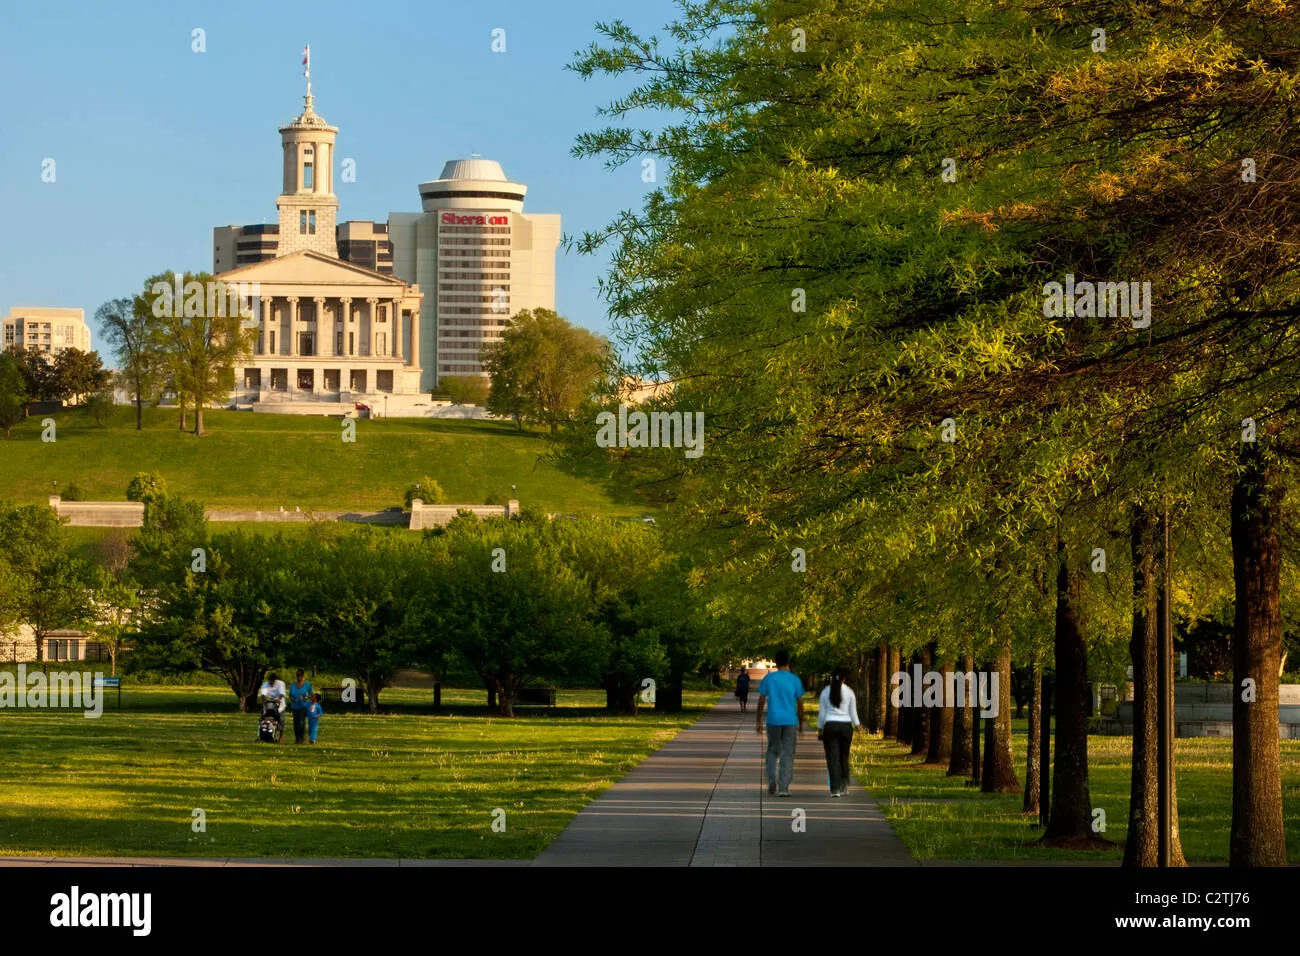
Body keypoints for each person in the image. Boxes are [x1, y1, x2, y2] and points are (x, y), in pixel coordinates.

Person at [755, 650, 806, 797]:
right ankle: (784, 787)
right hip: (790, 720)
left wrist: (758, 720)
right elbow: (800, 703)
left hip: (773, 720)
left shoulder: (769, 678)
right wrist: (801, 724)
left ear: (776, 662)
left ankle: (772, 781)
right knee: (788, 753)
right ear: (788, 661)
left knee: (772, 750)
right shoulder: (795, 679)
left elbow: (761, 699)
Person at [817, 671, 860, 797]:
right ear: (844, 679)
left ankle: (834, 789)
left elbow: (822, 713)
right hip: (846, 727)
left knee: (832, 758)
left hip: (830, 726)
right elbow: (853, 712)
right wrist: (857, 726)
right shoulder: (849, 692)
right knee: (844, 756)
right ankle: (844, 786)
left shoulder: (825, 692)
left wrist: (820, 728)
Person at [258, 672, 287, 738]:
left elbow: (282, 694)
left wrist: (279, 699)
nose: (271, 683)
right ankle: (262, 733)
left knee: (281, 720)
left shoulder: (280, 684)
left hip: (280, 706)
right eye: (270, 681)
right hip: (269, 705)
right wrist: (264, 699)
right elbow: (263, 694)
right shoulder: (265, 684)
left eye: (272, 681)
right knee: (263, 717)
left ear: (275, 680)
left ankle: (281, 737)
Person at [288, 669, 314, 744]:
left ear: (303, 676)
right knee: (295, 722)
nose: (298, 677)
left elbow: (311, 695)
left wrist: (305, 698)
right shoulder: (293, 685)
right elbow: (290, 695)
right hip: (294, 706)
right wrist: (293, 699)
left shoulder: (307, 685)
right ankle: (297, 738)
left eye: (300, 675)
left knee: (301, 722)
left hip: (303, 706)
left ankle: (301, 738)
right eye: (297, 675)